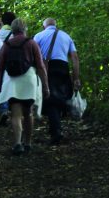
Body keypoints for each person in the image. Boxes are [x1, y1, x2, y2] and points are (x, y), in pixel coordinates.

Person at [0, 17, 48, 155]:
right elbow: (40, 66)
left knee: (15, 114)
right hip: (29, 81)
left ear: (13, 29)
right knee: (28, 114)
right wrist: (45, 86)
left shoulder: (7, 44)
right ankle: (27, 143)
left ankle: (17, 144)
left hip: (12, 82)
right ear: (24, 28)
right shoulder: (31, 43)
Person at [33, 17, 81, 145]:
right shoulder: (66, 36)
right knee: (60, 97)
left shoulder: (38, 36)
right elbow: (75, 58)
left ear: (44, 26)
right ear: (56, 25)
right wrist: (76, 78)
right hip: (63, 68)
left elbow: (33, 55)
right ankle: (56, 128)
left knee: (51, 100)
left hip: (47, 68)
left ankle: (56, 132)